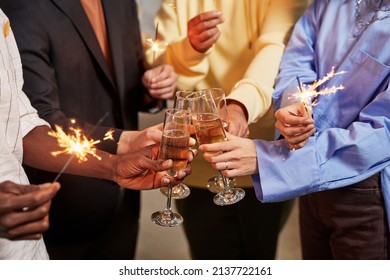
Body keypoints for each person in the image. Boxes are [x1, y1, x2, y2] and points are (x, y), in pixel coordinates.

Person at [201, 0, 390, 259]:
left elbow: (382, 133)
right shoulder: (329, 4)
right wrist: (294, 106)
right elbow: (297, 60)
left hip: (368, 191)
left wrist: (265, 158)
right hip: (309, 186)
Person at [0, 6, 192, 260]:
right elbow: (42, 112)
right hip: (67, 209)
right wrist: (123, 142)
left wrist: (115, 165)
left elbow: (23, 122)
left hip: (122, 202)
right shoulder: (21, 8)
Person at [150, 0, 310, 259]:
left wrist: (239, 105)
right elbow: (161, 62)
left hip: (262, 158)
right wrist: (190, 48)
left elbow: (276, 50)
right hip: (197, 164)